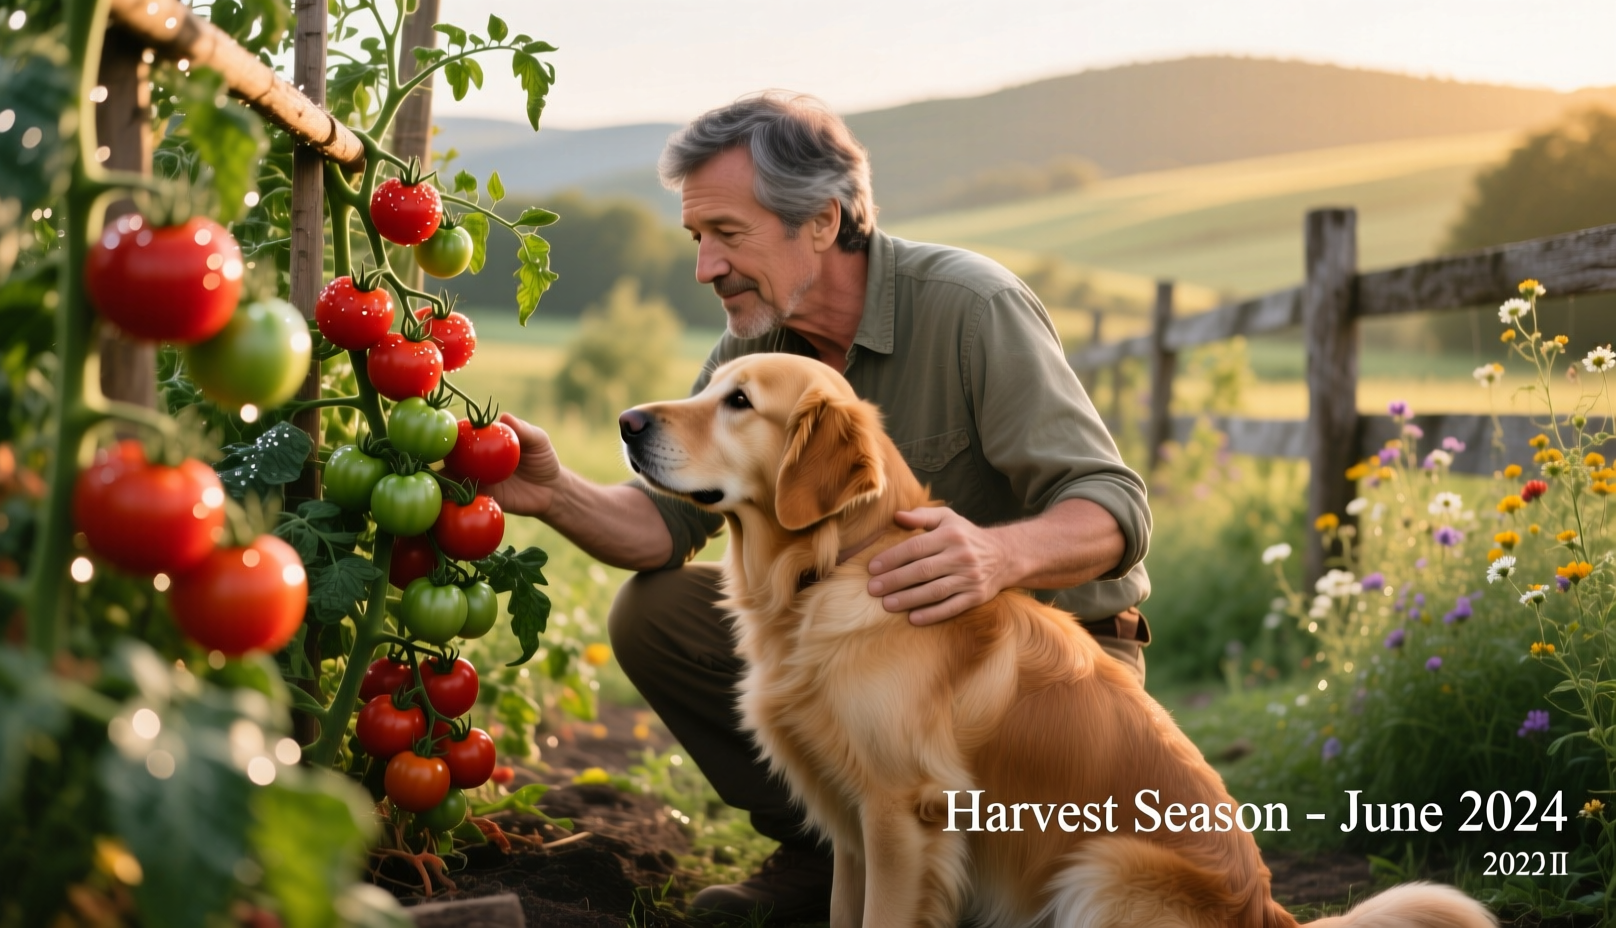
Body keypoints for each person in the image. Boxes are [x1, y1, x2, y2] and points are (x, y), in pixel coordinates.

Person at [488, 91, 1152, 919]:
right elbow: (665, 526)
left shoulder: (971, 308)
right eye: (698, 239)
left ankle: (939, 864)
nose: (706, 267)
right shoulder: (752, 347)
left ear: (824, 221)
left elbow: (1113, 504)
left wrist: (998, 556)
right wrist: (552, 492)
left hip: (1041, 678)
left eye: (728, 235)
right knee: (655, 612)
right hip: (871, 642)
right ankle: (825, 848)